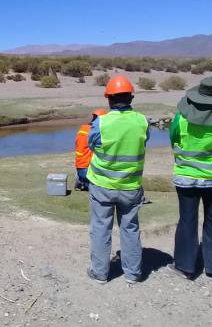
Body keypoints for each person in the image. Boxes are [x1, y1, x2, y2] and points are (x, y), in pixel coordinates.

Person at [167, 76, 212, 280]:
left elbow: (174, 141)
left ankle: (185, 266)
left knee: (187, 220)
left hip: (186, 179)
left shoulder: (180, 119)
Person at [86, 75, 149, 285]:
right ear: (131, 97)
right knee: (130, 228)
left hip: (102, 184)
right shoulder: (142, 121)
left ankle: (100, 273)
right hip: (130, 186)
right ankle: (132, 274)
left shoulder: (101, 122)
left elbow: (92, 145)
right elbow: (143, 142)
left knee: (100, 228)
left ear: (109, 99)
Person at [74, 109, 108, 191]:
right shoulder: (96, 132)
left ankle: (81, 181)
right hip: (88, 169)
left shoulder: (83, 129)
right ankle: (86, 182)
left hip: (80, 167)